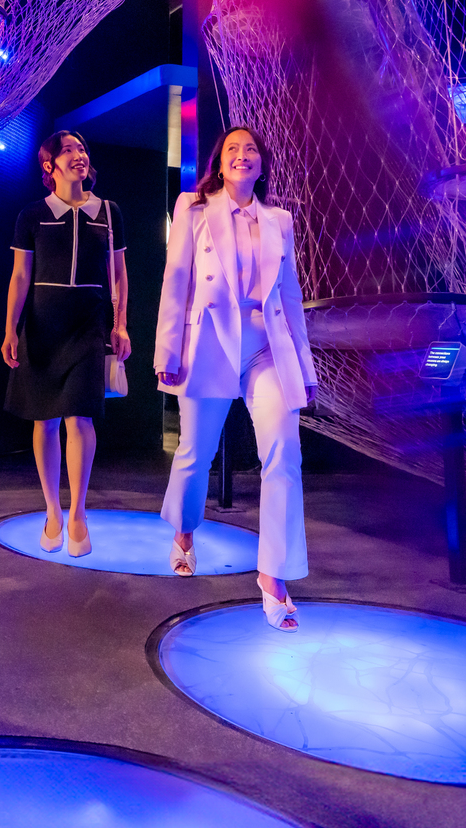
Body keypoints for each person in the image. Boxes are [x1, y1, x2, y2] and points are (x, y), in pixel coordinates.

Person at [154, 126, 316, 631]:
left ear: (262, 165)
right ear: (219, 165)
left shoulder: (280, 221)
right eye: (232, 150)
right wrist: (166, 348)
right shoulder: (194, 211)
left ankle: (274, 575)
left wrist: (304, 368)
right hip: (207, 344)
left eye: (251, 150)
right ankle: (183, 532)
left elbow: (290, 299)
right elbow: (176, 277)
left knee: (284, 454)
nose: (243, 156)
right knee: (194, 452)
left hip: (266, 348)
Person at [1, 130, 130, 557]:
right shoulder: (32, 214)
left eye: (82, 148)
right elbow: (20, 276)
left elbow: (119, 275)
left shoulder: (108, 212)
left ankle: (77, 512)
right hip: (42, 324)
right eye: (69, 149)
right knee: (45, 420)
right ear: (49, 165)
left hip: (89, 324)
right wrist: (9, 330)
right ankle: (52, 510)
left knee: (81, 417)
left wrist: (121, 324)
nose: (79, 154)